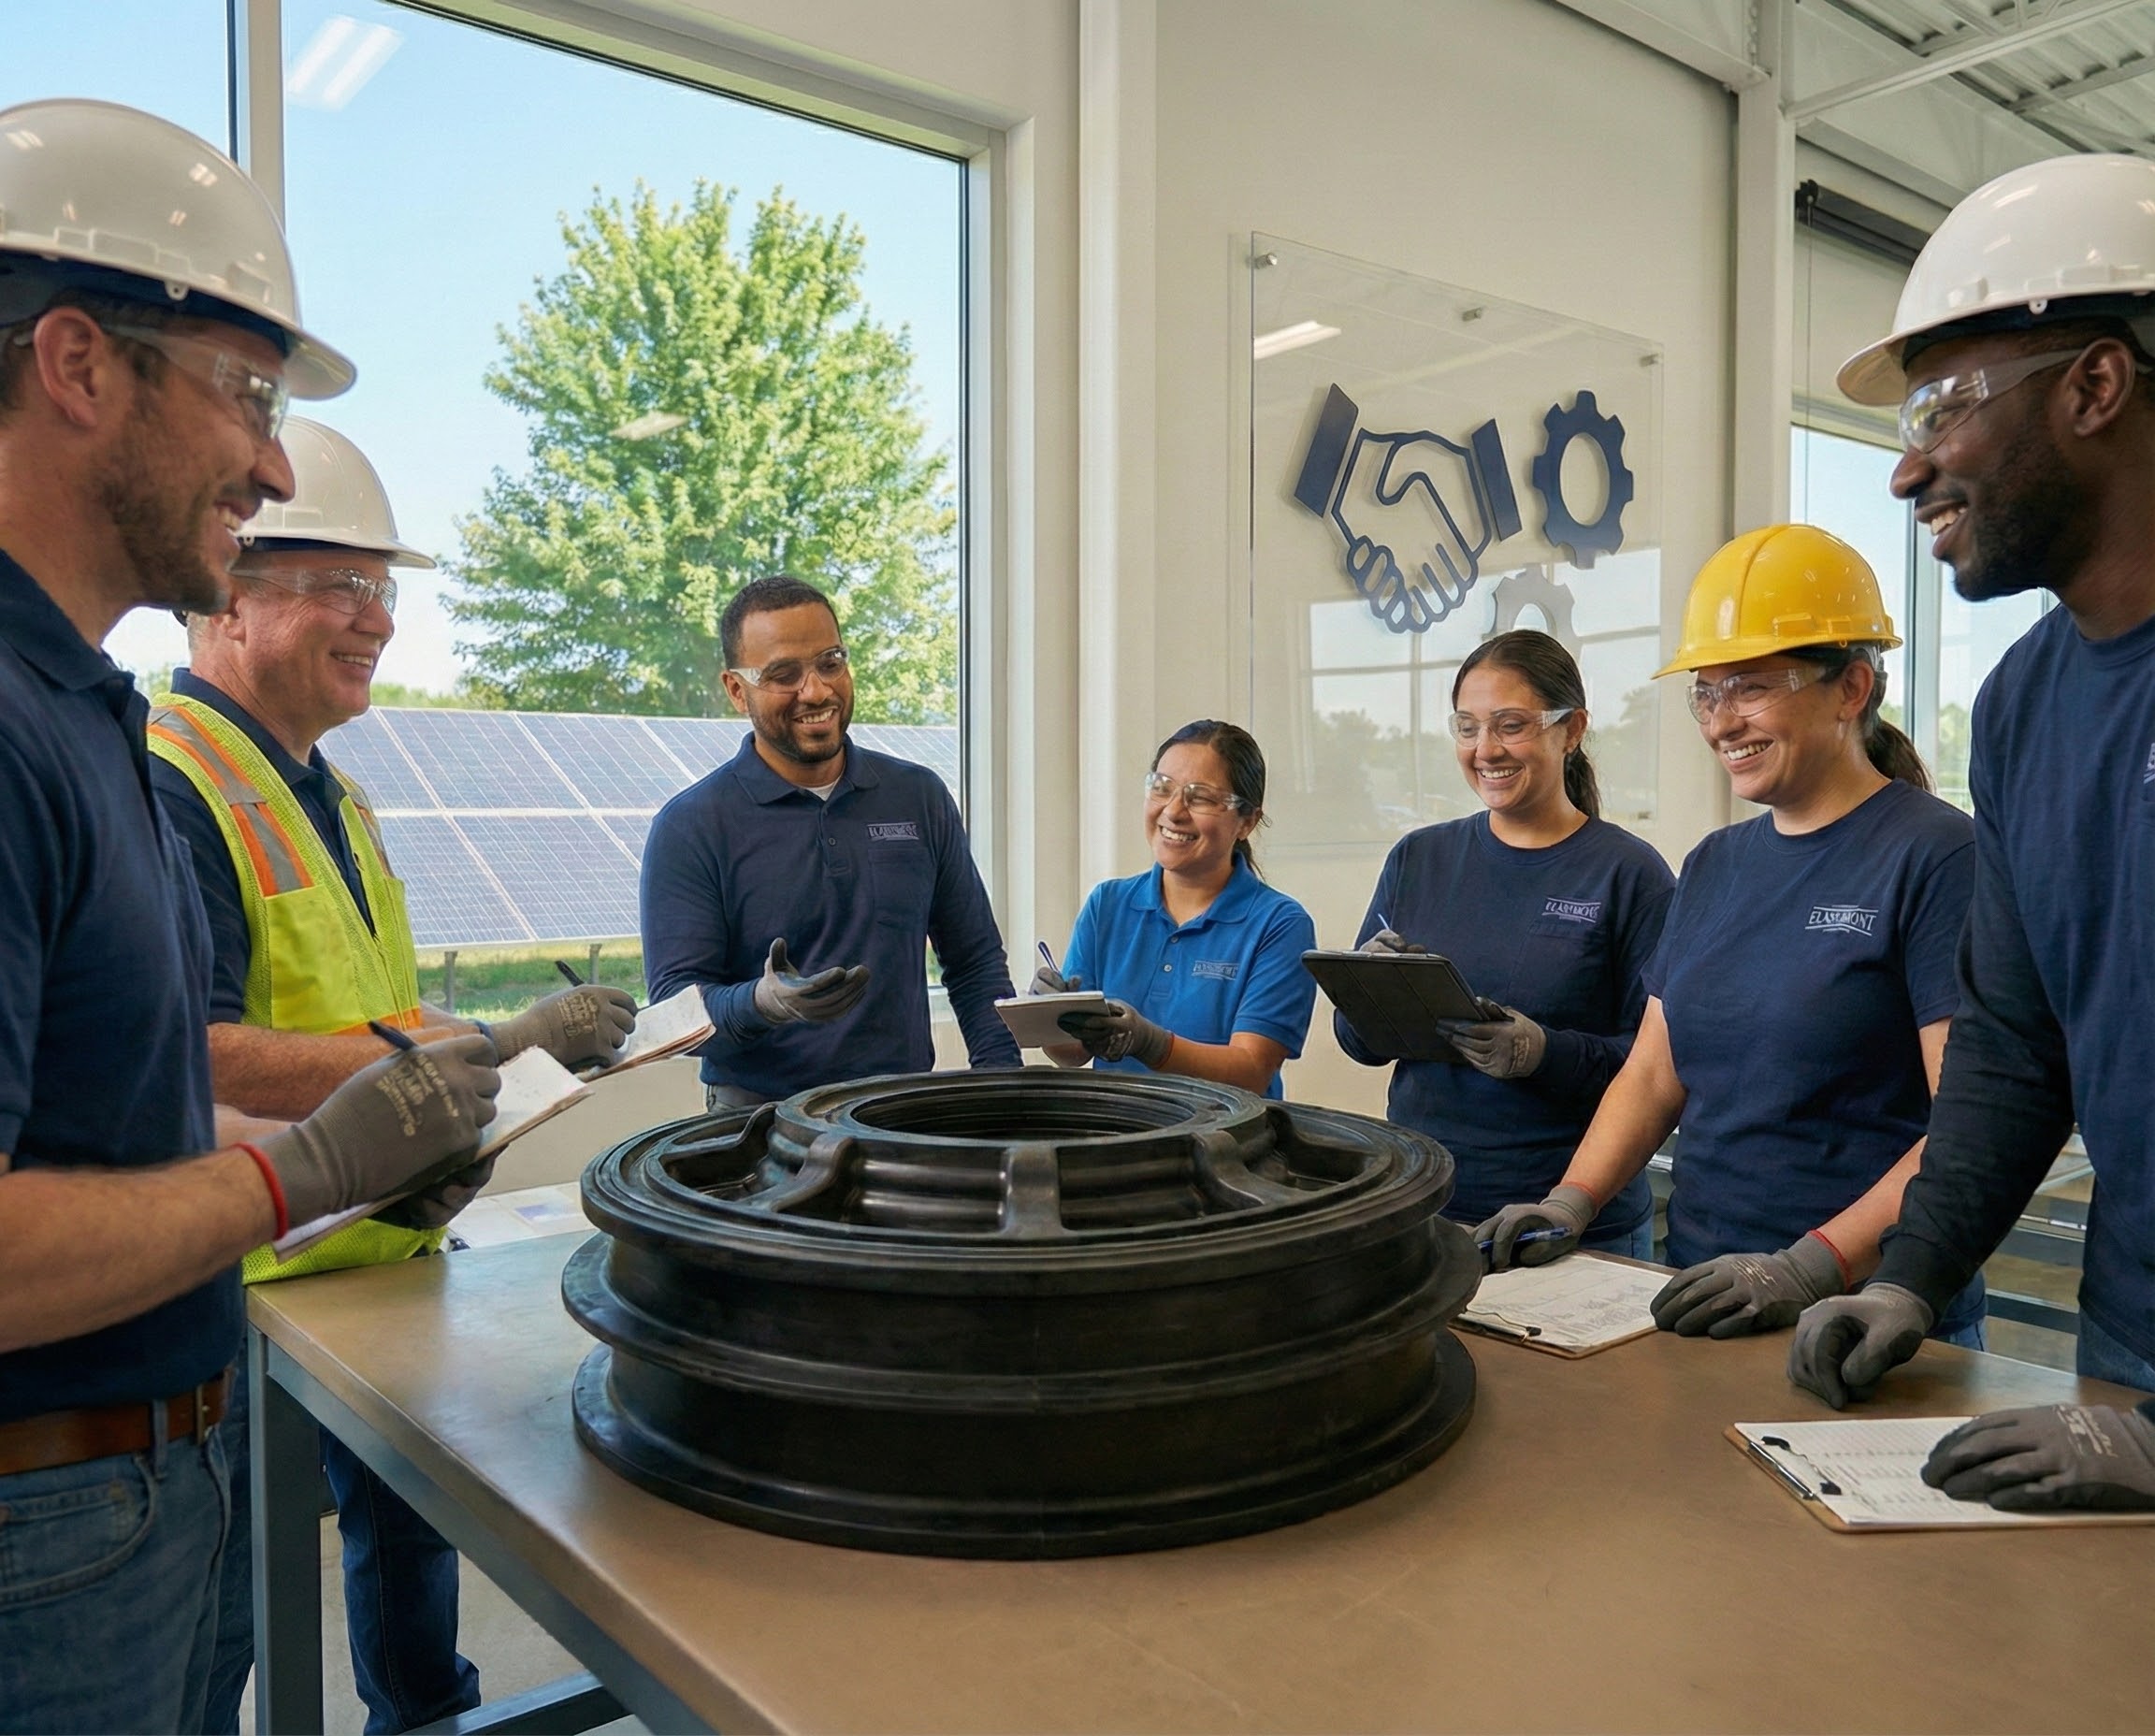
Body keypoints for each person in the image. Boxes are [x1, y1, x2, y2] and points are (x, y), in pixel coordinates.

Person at [0, 100, 501, 1735]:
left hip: (160, 1471)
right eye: (248, 395)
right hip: (54, 1523)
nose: (273, 462)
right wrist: (306, 1165)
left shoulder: (84, 716)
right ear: (78, 366)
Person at [149, 418, 637, 1732]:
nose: (377, 622)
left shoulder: (338, 797)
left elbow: (368, 1007)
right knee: (222, 1634)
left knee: (415, 1596)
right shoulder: (172, 780)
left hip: (384, 1261)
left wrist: (507, 1045)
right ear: (232, 593)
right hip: (250, 1295)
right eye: (340, 588)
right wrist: (427, 1065)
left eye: (386, 592)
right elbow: (184, 1047)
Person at [1787, 153, 2155, 1511]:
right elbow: (2014, 1043)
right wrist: (1911, 1275)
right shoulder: (2026, 702)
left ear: (2096, 387)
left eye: (1944, 405)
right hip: (2127, 1332)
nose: (1907, 468)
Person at [1479, 527, 1986, 1351]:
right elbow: (1652, 1074)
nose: (1721, 723)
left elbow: (1970, 1124)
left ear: (1851, 687)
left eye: (1749, 688)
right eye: (1706, 694)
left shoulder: (1936, 857)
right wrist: (1571, 1199)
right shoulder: (1715, 864)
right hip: (1704, 1293)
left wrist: (1810, 1266)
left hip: (1868, 1311)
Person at [1336, 631, 1673, 1251]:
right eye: (1467, 727)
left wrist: (1544, 1054)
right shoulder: (1419, 858)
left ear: (1571, 729)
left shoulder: (1629, 875)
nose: (1485, 749)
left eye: (1510, 725)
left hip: (1570, 1222)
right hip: (1423, 1205)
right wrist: (1370, 994)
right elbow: (1360, 1046)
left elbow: (1658, 1066)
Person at [643, 573, 1019, 1103]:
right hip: (756, 1131)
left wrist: (1001, 1085)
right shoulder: (692, 826)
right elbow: (673, 1015)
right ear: (735, 690)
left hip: (901, 1116)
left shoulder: (918, 797)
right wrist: (761, 1003)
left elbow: (975, 959)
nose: (815, 690)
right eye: (783, 674)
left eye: (830, 662)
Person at [1034, 720, 1316, 1098]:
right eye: (1162, 788)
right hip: (1115, 1136)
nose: (1174, 811)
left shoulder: (1279, 924)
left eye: (1200, 797)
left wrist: (1150, 1043)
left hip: (1225, 1147)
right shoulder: (1108, 904)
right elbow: (1072, 1053)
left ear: (1246, 821)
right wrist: (1051, 1016)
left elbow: (1251, 1071)